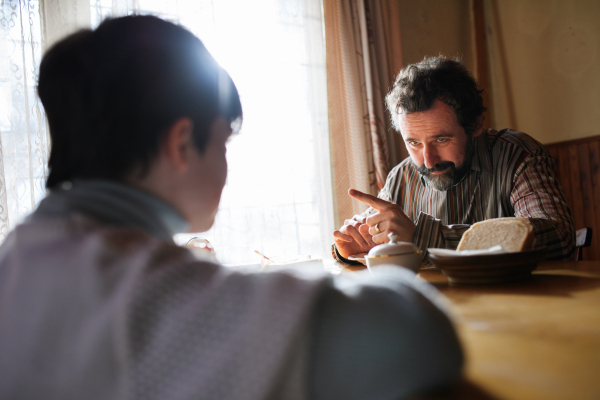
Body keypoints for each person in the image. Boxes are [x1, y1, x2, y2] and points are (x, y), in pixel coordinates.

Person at [0, 16, 463, 400]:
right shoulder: (151, 295)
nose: (225, 167)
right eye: (223, 143)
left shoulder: (19, 255)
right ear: (182, 143)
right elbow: (416, 337)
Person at [333, 56, 575, 264]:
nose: (427, 162)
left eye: (441, 140)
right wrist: (358, 246)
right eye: (414, 143)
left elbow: (558, 236)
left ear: (476, 123)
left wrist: (423, 238)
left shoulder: (518, 155)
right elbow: (377, 235)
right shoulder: (401, 177)